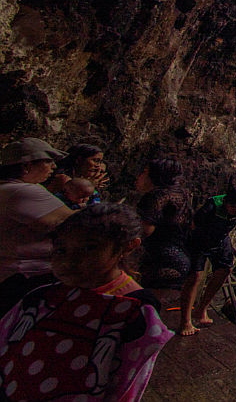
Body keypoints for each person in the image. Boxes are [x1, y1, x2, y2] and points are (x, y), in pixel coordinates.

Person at [0, 202, 172, 401]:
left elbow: (127, 381)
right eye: (61, 249)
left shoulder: (135, 310)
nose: (69, 261)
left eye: (90, 248)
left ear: (128, 246)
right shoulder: (41, 296)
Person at [0, 138, 74, 313]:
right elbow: (76, 223)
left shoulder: (6, 189)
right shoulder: (24, 191)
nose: (54, 167)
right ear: (26, 166)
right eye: (48, 161)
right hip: (28, 280)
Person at [179, 184, 236, 336]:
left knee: (225, 270)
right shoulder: (211, 206)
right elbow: (193, 226)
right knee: (196, 277)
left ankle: (201, 309)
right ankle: (186, 321)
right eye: (232, 206)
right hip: (200, 239)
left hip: (221, 238)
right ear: (225, 201)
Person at [136, 157, 192, 290]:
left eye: (144, 172)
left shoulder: (155, 196)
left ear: (154, 176)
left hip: (160, 261)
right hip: (181, 258)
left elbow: (145, 230)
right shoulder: (180, 193)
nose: (140, 176)